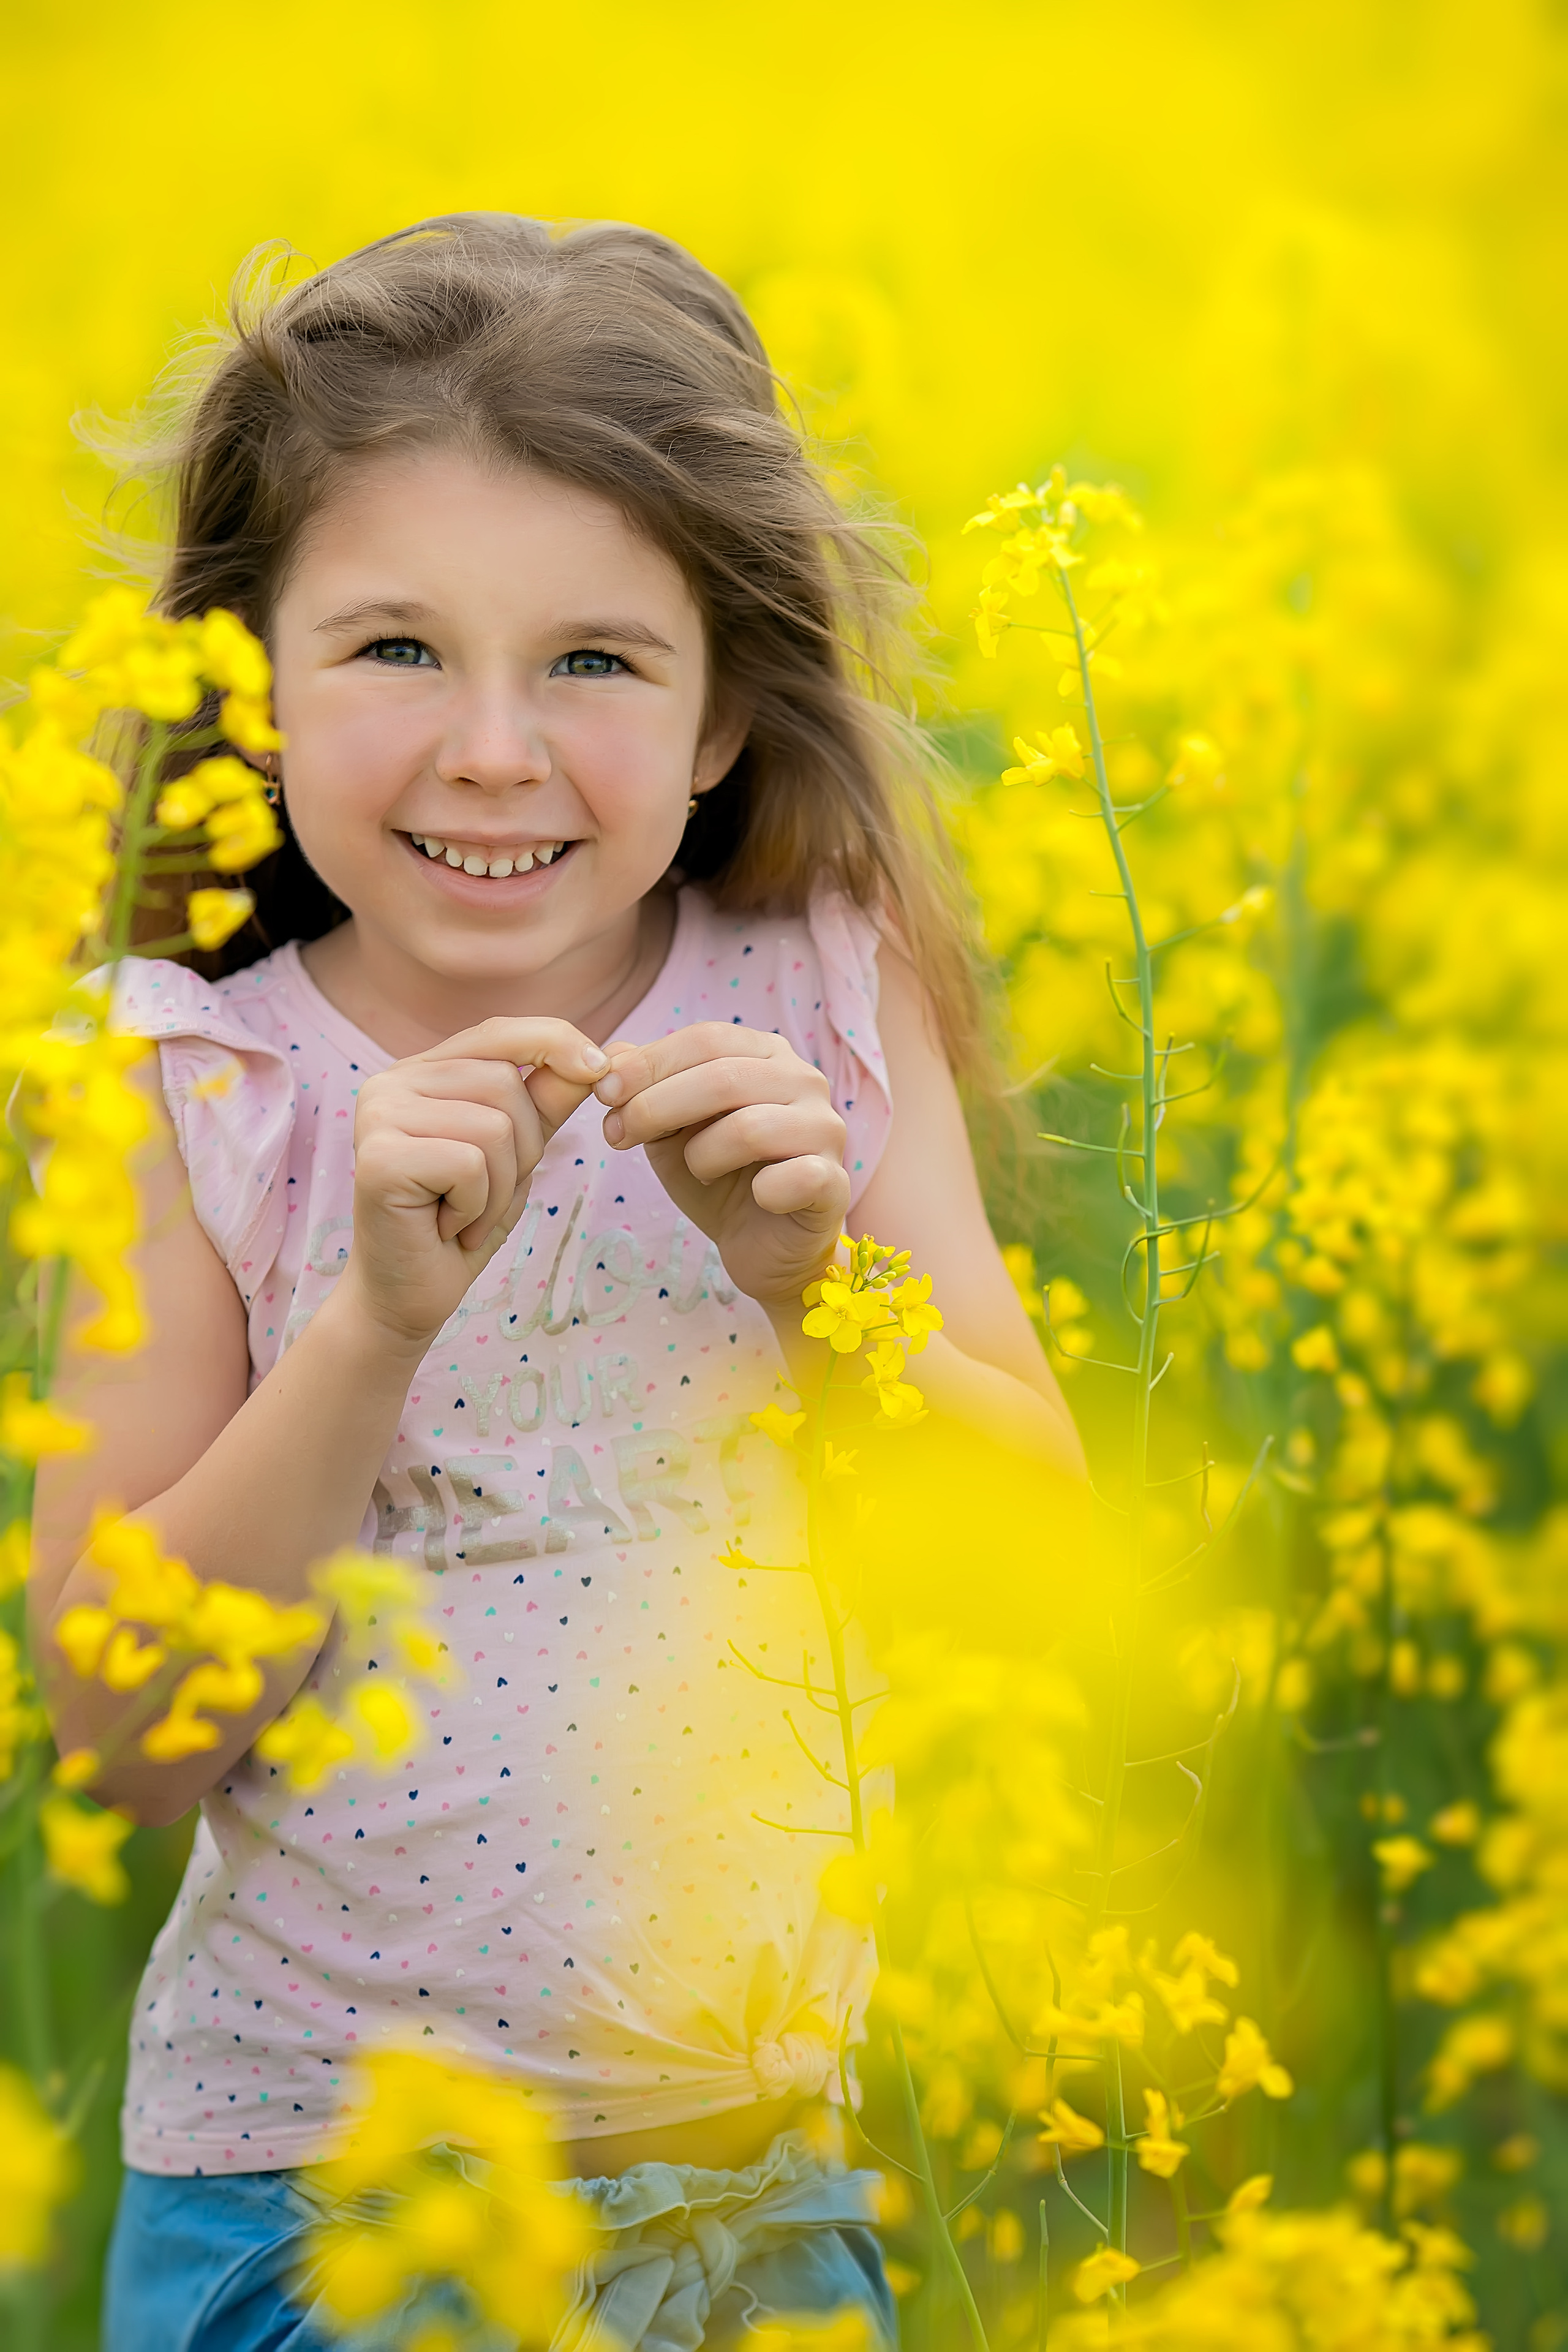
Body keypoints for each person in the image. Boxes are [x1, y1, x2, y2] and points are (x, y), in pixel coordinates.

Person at [30, 213, 1083, 2352]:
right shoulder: (187, 1080)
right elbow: (122, 1740)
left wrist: (817, 1293)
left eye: (594, 662)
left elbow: (1042, 1588)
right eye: (396, 651)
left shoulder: (825, 990)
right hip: (313, 2222)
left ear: (719, 716)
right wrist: (371, 1325)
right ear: (247, 685)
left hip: (763, 2190)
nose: (494, 749)